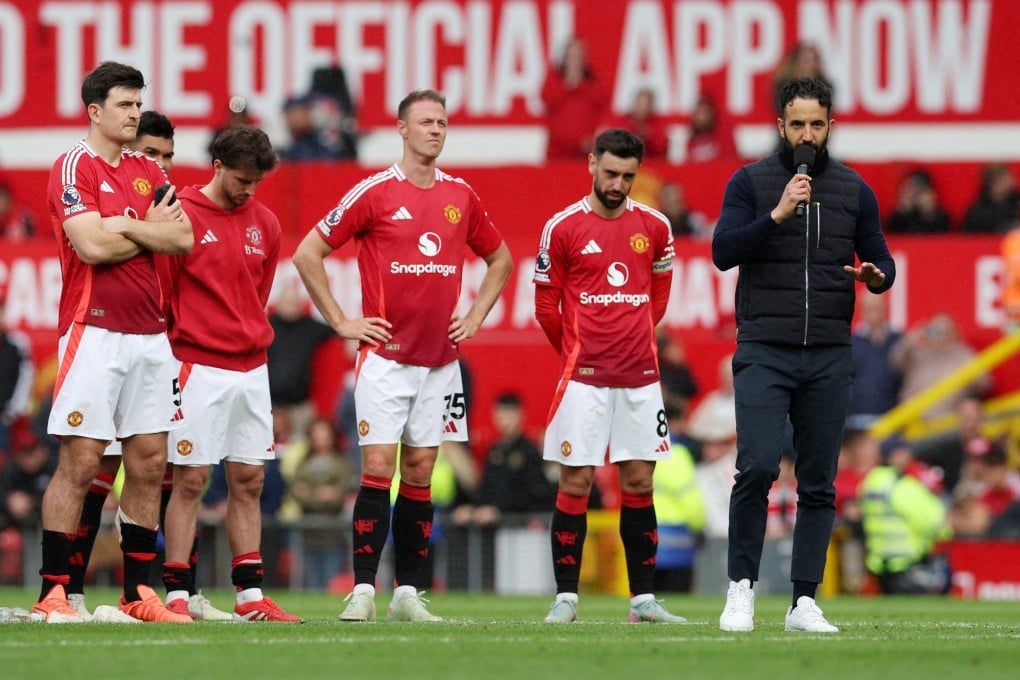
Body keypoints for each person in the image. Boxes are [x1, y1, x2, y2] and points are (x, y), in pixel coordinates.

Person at [292, 89, 512, 622]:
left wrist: (477, 315)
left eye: (442, 121)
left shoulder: (461, 195)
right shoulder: (374, 192)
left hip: (440, 362)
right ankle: (363, 590)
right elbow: (307, 252)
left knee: (420, 470)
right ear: (401, 129)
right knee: (376, 467)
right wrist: (342, 321)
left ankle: (409, 593)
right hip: (386, 360)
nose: (436, 130)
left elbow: (500, 258)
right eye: (426, 122)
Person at [712, 76, 895, 633]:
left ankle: (803, 601)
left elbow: (884, 263)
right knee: (759, 466)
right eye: (798, 124)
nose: (808, 134)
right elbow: (722, 251)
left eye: (817, 124)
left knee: (819, 481)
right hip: (765, 348)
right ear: (780, 127)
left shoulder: (855, 190)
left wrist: (874, 276)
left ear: (830, 127)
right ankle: (741, 588)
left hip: (830, 354)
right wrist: (776, 215)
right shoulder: (750, 182)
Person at [35, 61, 194, 624]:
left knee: (149, 463)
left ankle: (137, 594)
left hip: (150, 335)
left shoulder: (148, 172)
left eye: (137, 104)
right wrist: (140, 231)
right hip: (94, 330)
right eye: (125, 105)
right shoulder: (71, 166)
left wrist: (120, 225)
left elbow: (182, 236)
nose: (134, 114)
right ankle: (55, 589)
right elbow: (90, 249)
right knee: (79, 463)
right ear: (95, 110)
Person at [64, 110, 232, 622]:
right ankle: (68, 590)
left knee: (171, 470)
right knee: (98, 468)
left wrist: (134, 228)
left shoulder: (172, 202)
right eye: (150, 154)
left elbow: (181, 248)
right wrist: (143, 228)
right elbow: (95, 245)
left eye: (167, 157)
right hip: (114, 340)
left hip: (165, 346)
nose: (158, 166)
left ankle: (176, 589)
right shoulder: (100, 181)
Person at [533, 128, 685, 624]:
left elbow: (658, 297)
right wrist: (578, 352)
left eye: (628, 176)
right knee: (576, 482)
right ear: (592, 164)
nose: (618, 184)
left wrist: (634, 335)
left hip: (640, 377)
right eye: (611, 173)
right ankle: (566, 598)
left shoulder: (657, 226)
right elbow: (545, 307)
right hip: (583, 380)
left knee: (640, 480)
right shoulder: (562, 228)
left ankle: (642, 600)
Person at [158, 125, 299, 622]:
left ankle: (250, 597)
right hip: (198, 364)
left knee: (249, 480)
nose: (249, 190)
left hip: (251, 368)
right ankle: (177, 593)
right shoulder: (183, 214)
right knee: (191, 479)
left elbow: (256, 296)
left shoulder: (267, 222)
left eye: (256, 182)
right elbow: (166, 294)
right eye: (241, 179)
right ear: (217, 167)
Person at [859, 437, 952, 594]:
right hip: (907, 565)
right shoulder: (903, 486)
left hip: (879, 565)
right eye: (904, 452)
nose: (909, 457)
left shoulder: (869, 482)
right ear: (894, 456)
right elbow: (936, 523)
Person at [288, 417, 353, 589]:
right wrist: (319, 494)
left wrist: (309, 492)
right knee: (310, 578)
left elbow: (338, 496)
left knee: (331, 577)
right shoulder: (303, 463)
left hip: (333, 530)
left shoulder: (341, 463)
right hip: (307, 529)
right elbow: (295, 490)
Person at [890, 312, 991, 420]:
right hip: (913, 423)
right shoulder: (919, 353)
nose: (941, 335)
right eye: (935, 330)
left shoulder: (963, 355)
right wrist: (909, 340)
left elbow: (985, 383)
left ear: (954, 332)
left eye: (946, 330)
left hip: (944, 423)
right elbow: (895, 361)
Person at [266, 279, 336, 438]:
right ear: (278, 303)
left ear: (300, 304)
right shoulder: (266, 325)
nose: (291, 306)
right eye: (288, 302)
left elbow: (339, 330)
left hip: (300, 405)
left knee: (302, 449)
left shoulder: (309, 327)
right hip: (269, 405)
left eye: (294, 302)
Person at [541, 38, 607, 160]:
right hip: (557, 153)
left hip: (584, 153)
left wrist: (592, 139)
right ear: (564, 60)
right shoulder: (554, 80)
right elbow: (547, 101)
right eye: (571, 58)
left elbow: (601, 111)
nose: (575, 62)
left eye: (578, 57)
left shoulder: (592, 83)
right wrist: (567, 86)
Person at [848, 292, 903, 420]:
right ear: (862, 311)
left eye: (877, 307)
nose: (874, 313)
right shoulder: (851, 343)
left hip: (891, 418)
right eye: (869, 308)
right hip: (856, 418)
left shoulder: (898, 340)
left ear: (885, 308)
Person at [602, 88, 669, 160]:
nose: (643, 108)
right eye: (640, 103)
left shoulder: (657, 122)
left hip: (651, 163)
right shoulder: (622, 120)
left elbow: (662, 147)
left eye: (646, 104)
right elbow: (613, 143)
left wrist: (650, 137)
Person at [884, 169, 951, 234]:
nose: (917, 195)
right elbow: (890, 234)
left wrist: (929, 213)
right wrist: (903, 210)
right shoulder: (900, 217)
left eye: (922, 190)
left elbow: (944, 234)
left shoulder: (941, 217)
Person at [963, 163, 1018, 234]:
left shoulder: (1016, 202)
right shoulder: (977, 211)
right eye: (1002, 180)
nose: (1010, 182)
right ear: (992, 184)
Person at [685, 93, 738, 164]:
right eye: (698, 112)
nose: (701, 117)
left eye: (704, 112)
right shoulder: (689, 139)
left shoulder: (723, 137)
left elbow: (730, 162)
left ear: (712, 114)